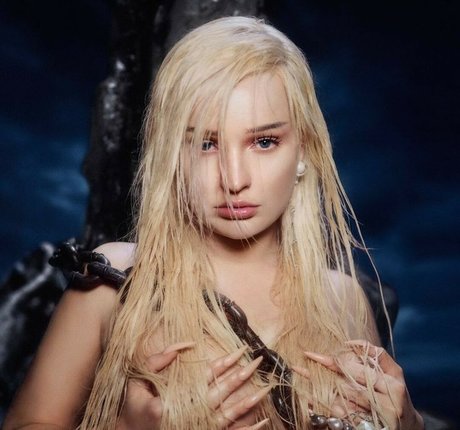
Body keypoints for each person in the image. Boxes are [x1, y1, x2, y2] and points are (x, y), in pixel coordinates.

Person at [4, 17, 423, 430]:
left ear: (304, 151)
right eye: (205, 144)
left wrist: (408, 424)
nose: (234, 179)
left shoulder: (343, 300)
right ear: (170, 154)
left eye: (264, 142)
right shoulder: (114, 280)